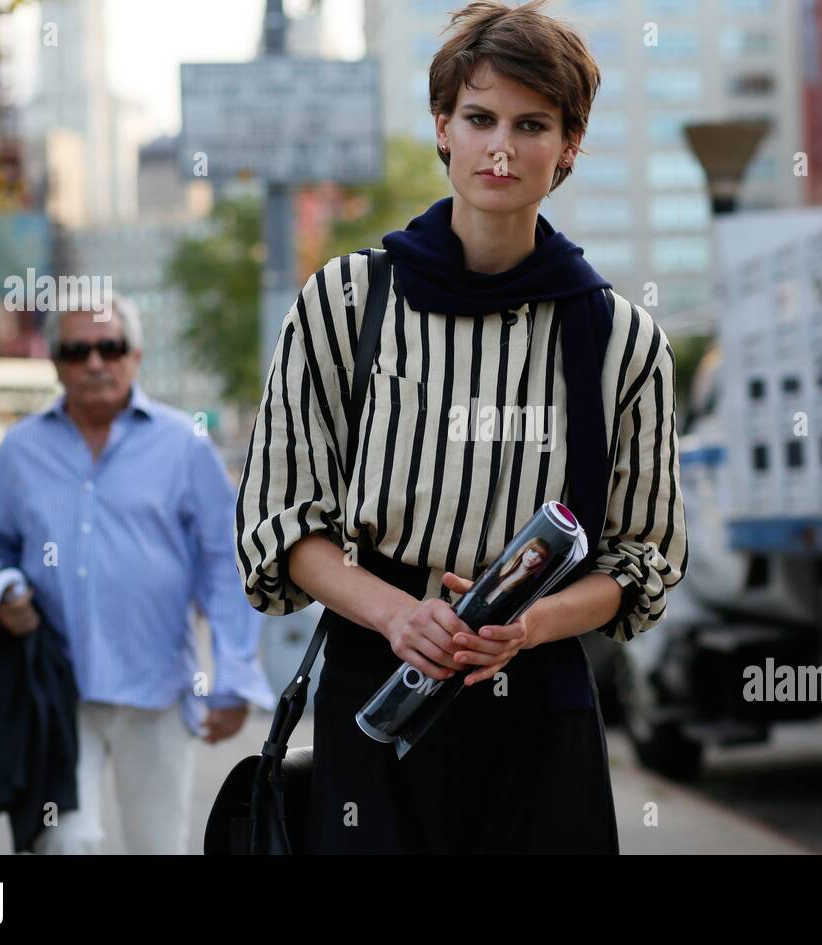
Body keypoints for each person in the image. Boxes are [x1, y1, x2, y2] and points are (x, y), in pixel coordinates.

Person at [235, 0, 687, 854]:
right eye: (479, 118)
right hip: (380, 682)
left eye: (533, 124)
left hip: (542, 691)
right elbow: (282, 524)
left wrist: (532, 624)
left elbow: (643, 561)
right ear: (442, 127)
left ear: (571, 145)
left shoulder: (620, 339)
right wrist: (400, 615)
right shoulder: (347, 302)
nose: (502, 148)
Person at [0, 291, 275, 854]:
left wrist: (234, 675)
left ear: (135, 355)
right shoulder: (19, 450)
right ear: (55, 362)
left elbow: (222, 564)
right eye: (76, 350)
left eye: (109, 347)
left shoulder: (185, 445)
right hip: (57, 692)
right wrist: (5, 590)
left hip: (156, 688)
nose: (94, 363)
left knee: (158, 848)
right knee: (64, 844)